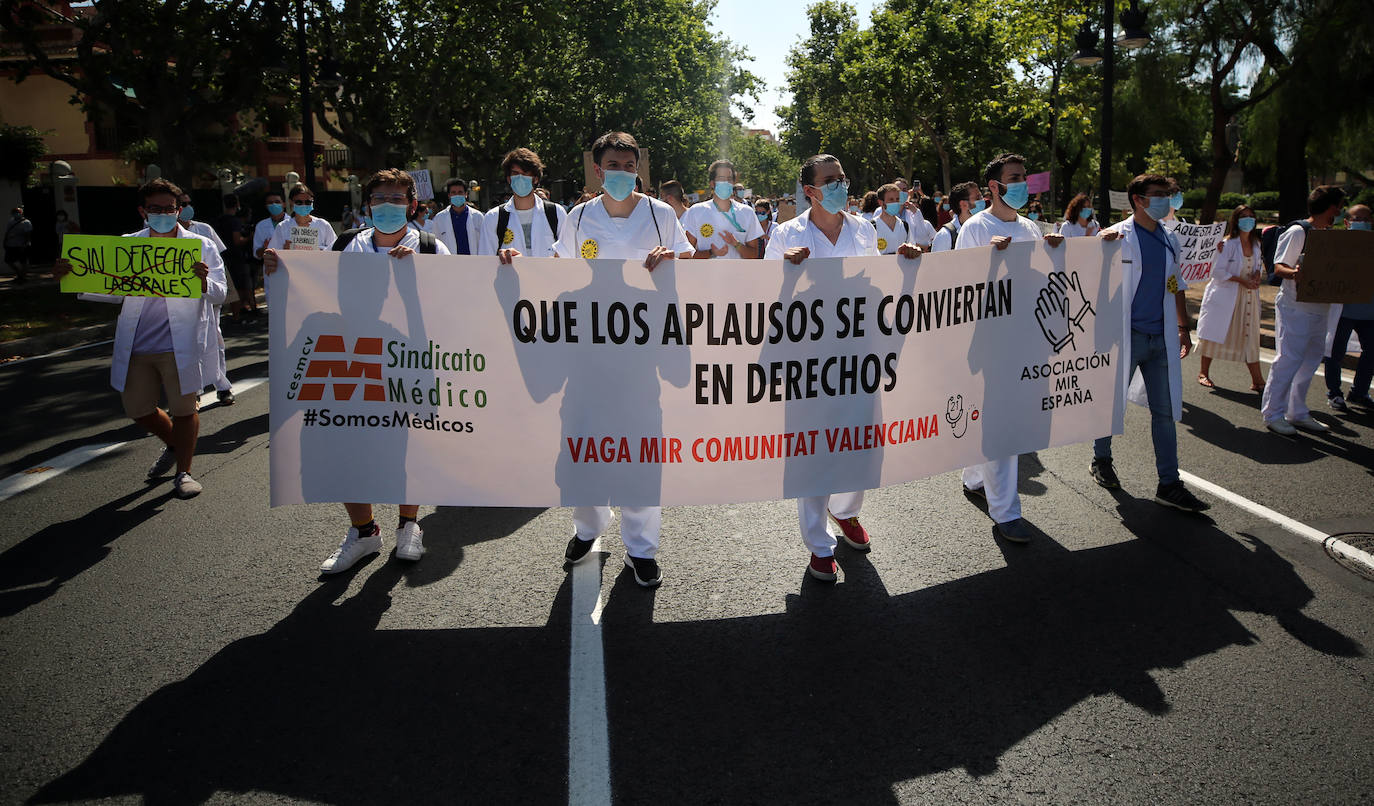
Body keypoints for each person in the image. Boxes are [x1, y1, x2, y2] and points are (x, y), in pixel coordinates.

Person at [264, 168, 449, 573]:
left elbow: (453, 305)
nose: (388, 206)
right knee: (348, 446)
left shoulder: (434, 249)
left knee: (409, 448)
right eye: (380, 199)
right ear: (367, 205)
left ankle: (408, 524)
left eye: (398, 200)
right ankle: (364, 532)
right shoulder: (348, 245)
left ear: (412, 205)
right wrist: (282, 272)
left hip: (409, 360)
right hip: (354, 359)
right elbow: (319, 291)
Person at [764, 153, 922, 582]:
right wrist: (786, 275)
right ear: (810, 191)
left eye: (842, 178)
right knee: (813, 448)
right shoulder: (784, 235)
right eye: (829, 180)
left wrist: (905, 262)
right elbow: (764, 302)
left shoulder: (864, 230)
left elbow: (876, 287)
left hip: (857, 354)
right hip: (808, 361)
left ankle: (846, 512)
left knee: (860, 439)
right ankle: (818, 544)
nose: (840, 185)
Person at [552, 131, 694, 588]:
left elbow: (691, 273)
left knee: (640, 452)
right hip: (587, 359)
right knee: (585, 448)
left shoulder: (660, 216)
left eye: (630, 166)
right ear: (598, 170)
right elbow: (559, 277)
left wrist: (672, 261)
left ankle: (641, 548)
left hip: (641, 359)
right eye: (614, 165)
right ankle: (588, 530)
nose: (623, 173)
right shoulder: (578, 219)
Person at [52, 178, 225, 498]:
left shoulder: (201, 246)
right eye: (155, 209)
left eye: (169, 209)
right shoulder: (128, 245)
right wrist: (73, 277)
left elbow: (220, 292)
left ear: (179, 211)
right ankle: (175, 444)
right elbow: (110, 288)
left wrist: (203, 282)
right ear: (143, 211)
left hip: (180, 344)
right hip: (138, 345)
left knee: (185, 409)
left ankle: (184, 472)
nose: (163, 214)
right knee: (138, 409)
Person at [956, 153, 1070, 542]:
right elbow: (959, 289)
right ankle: (1006, 511)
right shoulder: (974, 228)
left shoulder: (1031, 229)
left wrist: (1057, 252)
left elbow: (1041, 282)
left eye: (1024, 177)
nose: (1023, 184)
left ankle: (974, 476)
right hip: (990, 341)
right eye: (1015, 178)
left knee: (1001, 417)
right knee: (1003, 423)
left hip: (1026, 337)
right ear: (994, 187)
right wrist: (990, 261)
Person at [1090, 174, 1209, 513]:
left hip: (1161, 339)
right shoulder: (1116, 237)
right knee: (1112, 406)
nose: (1165, 201)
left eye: (1167, 195)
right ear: (1138, 200)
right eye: (1158, 195)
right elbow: (1085, 275)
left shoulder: (1170, 239)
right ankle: (1101, 458)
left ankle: (1168, 484)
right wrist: (1098, 242)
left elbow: (1176, 284)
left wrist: (1184, 327)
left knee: (1166, 412)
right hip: (1126, 337)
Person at [1262, 185, 1346, 435]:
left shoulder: (1330, 233)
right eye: (1339, 206)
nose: (1341, 211)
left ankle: (1297, 411)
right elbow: (1278, 268)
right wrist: (1297, 273)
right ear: (1330, 207)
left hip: (1321, 308)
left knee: (1310, 361)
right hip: (1295, 307)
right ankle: (1273, 413)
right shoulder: (1299, 231)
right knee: (1288, 359)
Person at [1196, 205, 1266, 392]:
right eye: (1244, 217)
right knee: (1214, 333)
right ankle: (1203, 372)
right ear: (1236, 221)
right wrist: (1240, 280)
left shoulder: (1256, 244)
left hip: (1249, 296)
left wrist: (1257, 276)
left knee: (1250, 336)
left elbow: (1258, 265)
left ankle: (1257, 380)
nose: (1248, 220)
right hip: (1228, 295)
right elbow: (1217, 272)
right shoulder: (1227, 244)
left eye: (1251, 216)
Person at [176, 190, 236, 406]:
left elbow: (217, 262)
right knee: (185, 344)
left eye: (188, 203)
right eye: (182, 203)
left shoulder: (204, 230)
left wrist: (209, 283)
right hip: (177, 300)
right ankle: (194, 391)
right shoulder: (153, 235)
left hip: (206, 294)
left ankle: (223, 387)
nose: (186, 207)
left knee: (214, 338)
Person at [1324, 203, 1374, 411]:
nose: (1361, 223)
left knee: (1371, 351)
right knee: (1335, 352)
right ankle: (1334, 393)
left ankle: (1359, 392)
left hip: (1369, 311)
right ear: (1346, 222)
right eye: (1356, 220)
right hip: (1343, 311)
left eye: (1366, 219)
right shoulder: (1335, 245)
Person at [480, 147, 568, 259]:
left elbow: (568, 255)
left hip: (548, 276)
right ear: (509, 179)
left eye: (525, 173)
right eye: (515, 173)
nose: (520, 178)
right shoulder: (493, 218)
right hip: (509, 277)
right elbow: (485, 262)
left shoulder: (556, 213)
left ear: (535, 179)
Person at [682, 159, 764, 260]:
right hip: (705, 275)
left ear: (733, 183)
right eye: (721, 179)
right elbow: (686, 255)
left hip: (738, 275)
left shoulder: (747, 212)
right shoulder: (696, 211)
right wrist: (711, 252)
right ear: (712, 183)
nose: (726, 182)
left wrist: (737, 244)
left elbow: (753, 255)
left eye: (729, 179)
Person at [214, 195, 256, 322]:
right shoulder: (235, 221)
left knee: (232, 287)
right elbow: (237, 240)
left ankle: (236, 315)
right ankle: (252, 310)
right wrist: (250, 237)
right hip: (237, 258)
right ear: (237, 204)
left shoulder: (219, 220)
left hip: (224, 257)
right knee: (244, 286)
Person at [267, 183, 336, 252]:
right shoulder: (282, 227)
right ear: (291, 202)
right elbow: (273, 252)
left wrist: (320, 249)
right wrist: (284, 251)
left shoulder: (323, 225)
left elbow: (335, 248)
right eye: (299, 202)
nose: (304, 205)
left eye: (308, 202)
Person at [430, 177, 483, 255]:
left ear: (466, 194)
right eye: (453, 192)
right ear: (449, 195)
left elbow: (484, 242)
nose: (457, 195)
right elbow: (436, 244)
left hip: (473, 262)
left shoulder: (478, 216)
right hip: (449, 263)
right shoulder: (439, 218)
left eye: (460, 192)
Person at [931, 181, 983, 253]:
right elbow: (936, 263)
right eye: (978, 198)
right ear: (963, 204)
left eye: (981, 196)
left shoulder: (987, 227)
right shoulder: (945, 236)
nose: (982, 201)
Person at [871, 183, 911, 255]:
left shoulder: (905, 226)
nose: (895, 202)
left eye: (897, 199)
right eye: (891, 199)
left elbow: (911, 250)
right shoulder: (872, 226)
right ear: (881, 202)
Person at [4, 207, 33, 283]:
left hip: (21, 245)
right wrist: (5, 242)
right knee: (8, 260)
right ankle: (19, 273)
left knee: (23, 262)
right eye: (14, 212)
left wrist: (25, 244)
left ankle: (23, 277)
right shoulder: (11, 221)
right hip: (11, 245)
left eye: (18, 212)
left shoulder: (26, 222)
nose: (16, 214)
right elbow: (8, 232)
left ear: (21, 213)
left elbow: (28, 234)